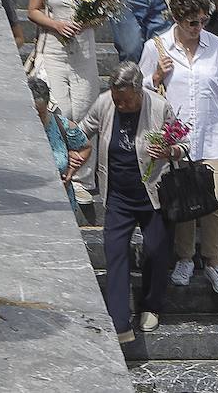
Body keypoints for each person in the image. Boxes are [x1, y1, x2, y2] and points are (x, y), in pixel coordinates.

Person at [138, 0, 218, 296]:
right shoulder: (155, 48)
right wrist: (156, 77)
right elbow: (140, 91)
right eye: (192, 23)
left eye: (203, 21)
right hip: (177, 137)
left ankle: (214, 261)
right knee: (184, 199)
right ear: (177, 18)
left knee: (214, 199)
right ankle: (185, 258)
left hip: (214, 133)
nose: (199, 28)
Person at [73, 63, 184, 342]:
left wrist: (170, 150)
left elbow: (186, 144)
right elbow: (82, 132)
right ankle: (120, 322)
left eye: (126, 100)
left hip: (153, 195)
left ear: (139, 92)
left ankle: (151, 305)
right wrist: (77, 151)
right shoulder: (104, 104)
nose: (120, 105)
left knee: (157, 251)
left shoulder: (159, 107)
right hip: (118, 195)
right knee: (115, 254)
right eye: (116, 99)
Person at [27, 0, 105, 202]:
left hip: (84, 49)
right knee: (62, 108)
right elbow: (32, 11)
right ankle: (55, 167)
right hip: (55, 50)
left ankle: (82, 178)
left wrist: (87, 20)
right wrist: (56, 24)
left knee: (85, 109)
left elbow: (104, 11)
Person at [28, 76, 90, 211]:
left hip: (60, 205)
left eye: (41, 114)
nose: (37, 120)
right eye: (33, 115)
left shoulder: (63, 125)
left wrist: (71, 171)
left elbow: (86, 147)